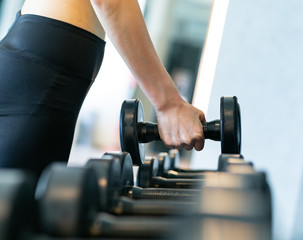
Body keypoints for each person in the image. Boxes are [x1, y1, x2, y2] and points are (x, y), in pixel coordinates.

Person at [0, 0, 205, 176]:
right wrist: (169, 104)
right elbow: (111, 2)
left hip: (39, 61)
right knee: (15, 208)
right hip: (37, 72)